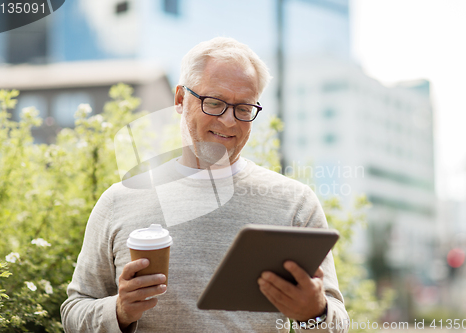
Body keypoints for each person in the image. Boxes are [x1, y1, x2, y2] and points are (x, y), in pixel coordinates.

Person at [61, 37, 349, 332]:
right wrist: (119, 311)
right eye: (214, 103)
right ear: (179, 100)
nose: (228, 121)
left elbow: (337, 322)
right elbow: (74, 312)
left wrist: (313, 315)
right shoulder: (118, 201)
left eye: (244, 108)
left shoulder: (294, 204)